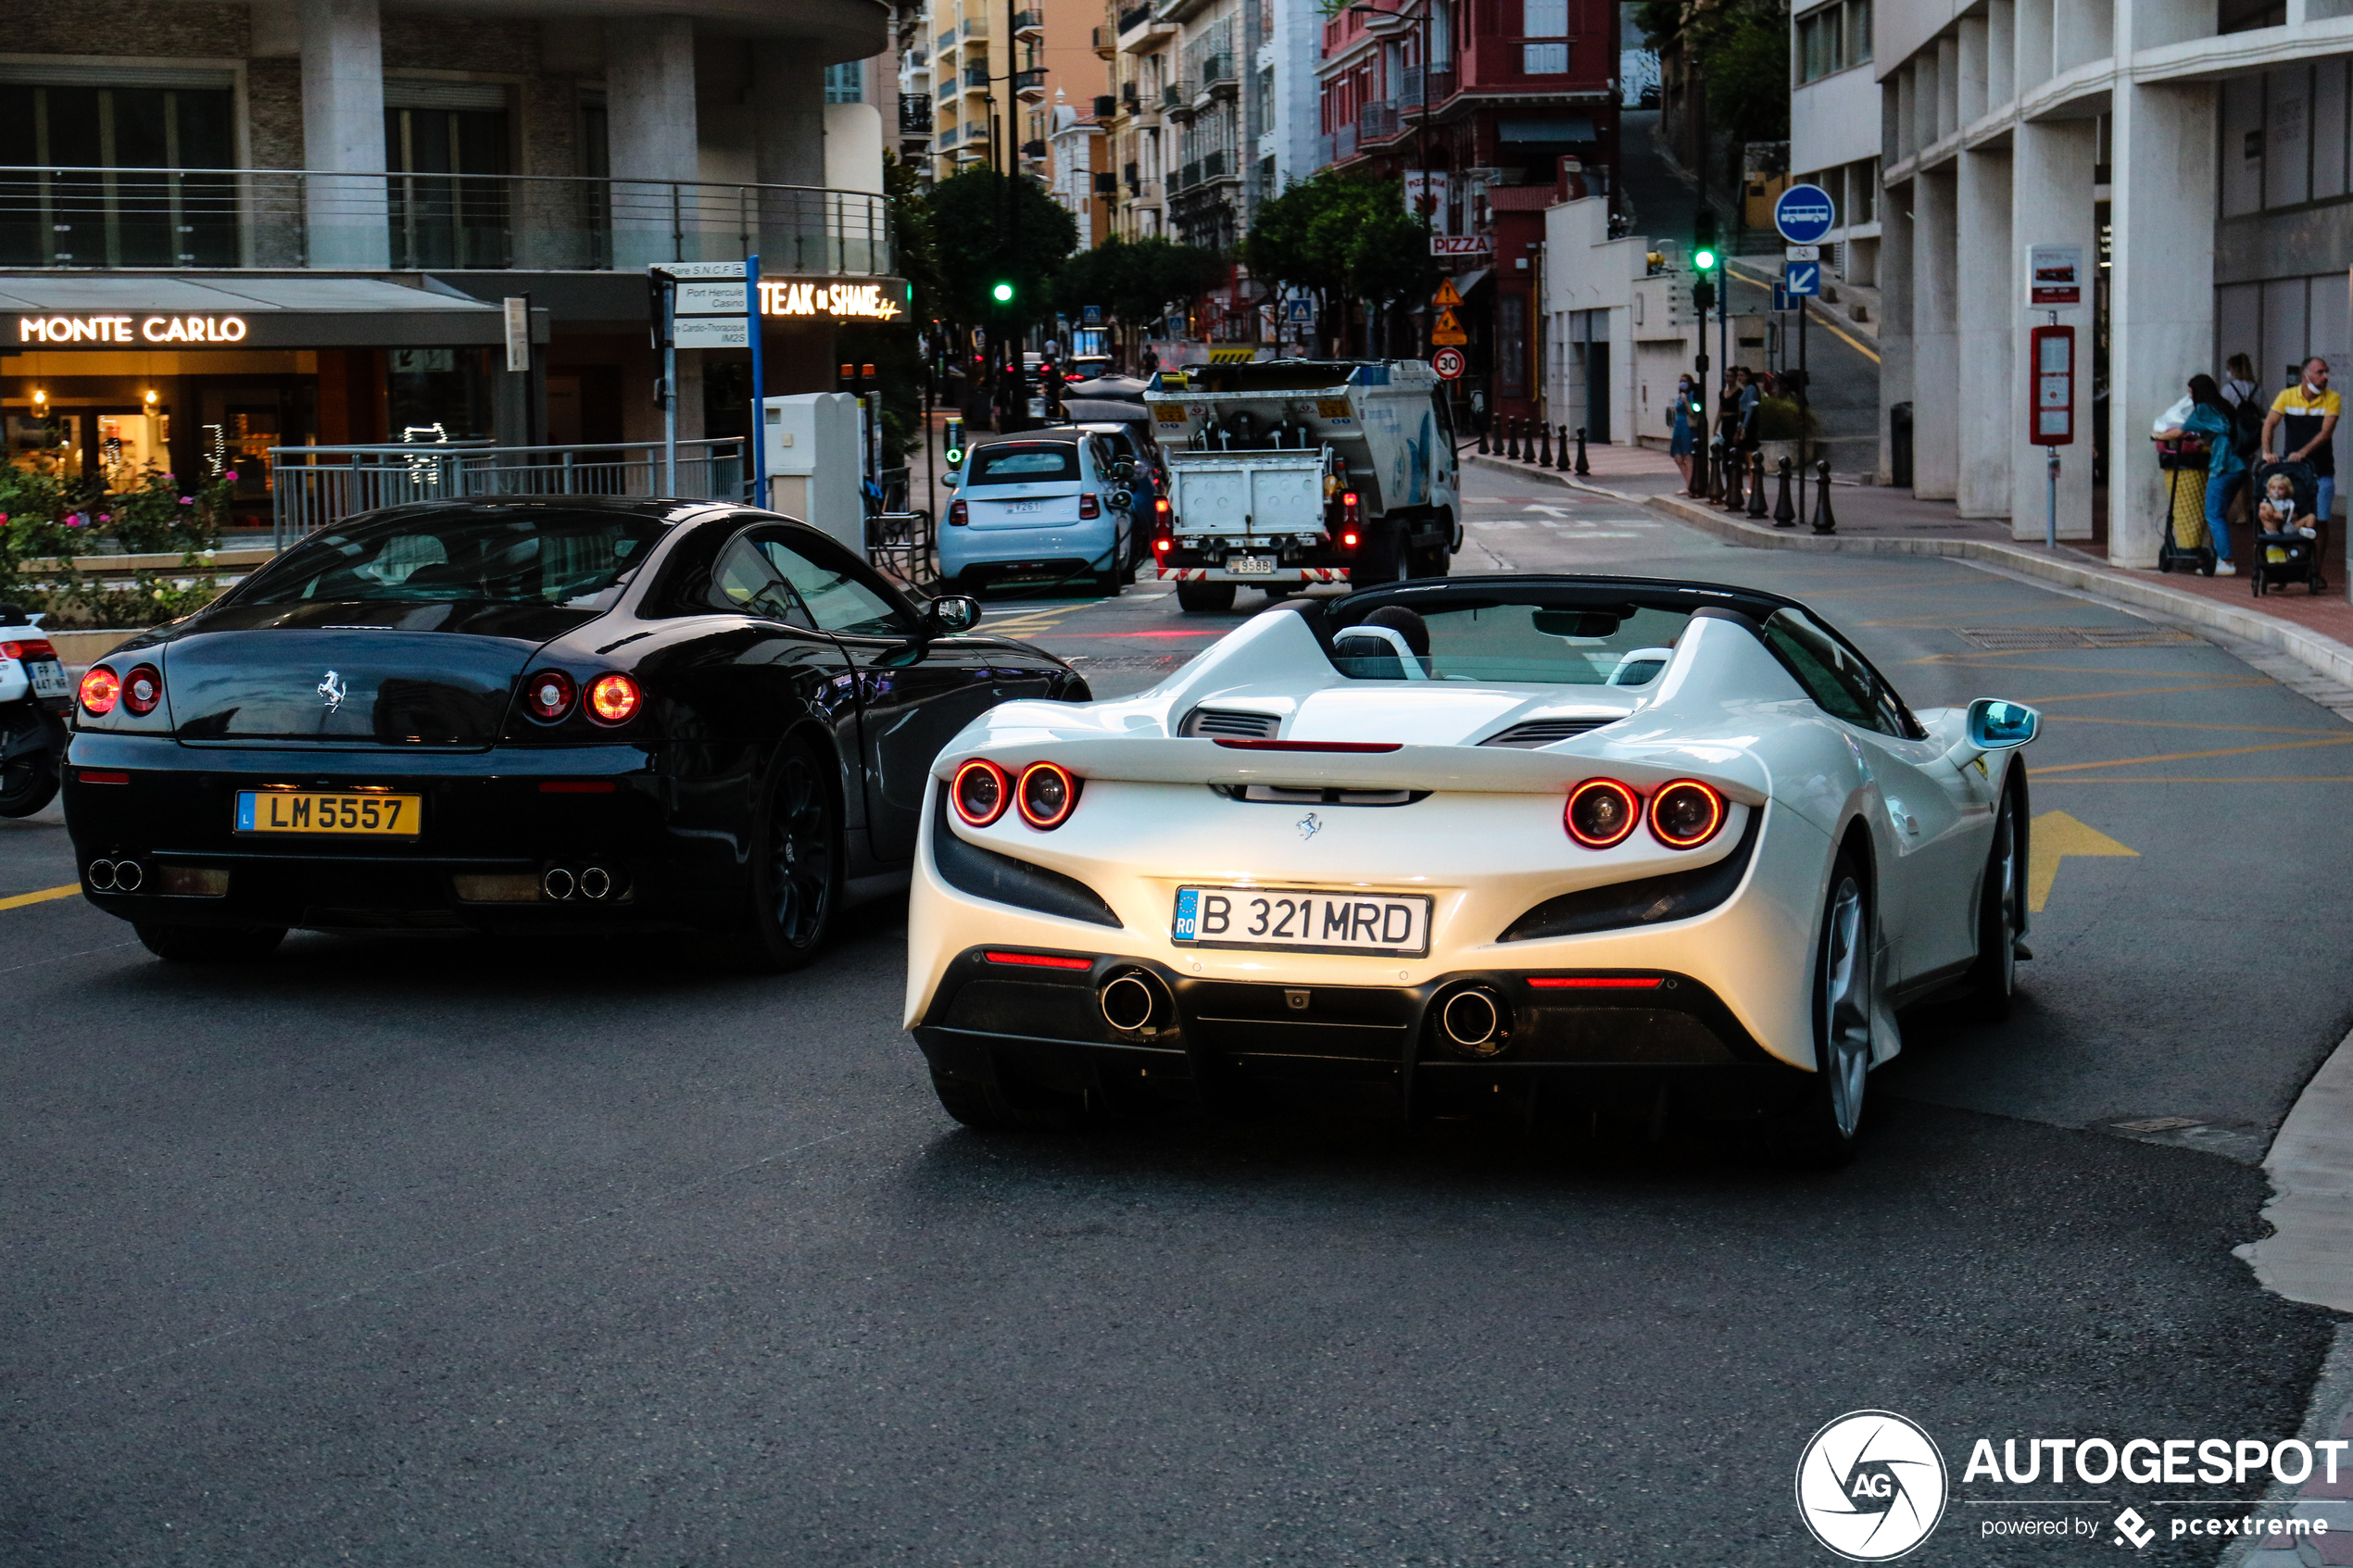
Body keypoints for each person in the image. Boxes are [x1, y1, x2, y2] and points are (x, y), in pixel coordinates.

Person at [2154, 374, 2244, 575]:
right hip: (2238, 466)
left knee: (2213, 514)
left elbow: (2179, 431)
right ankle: (2218, 555)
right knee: (2219, 513)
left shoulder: (2204, 408)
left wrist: (2157, 435)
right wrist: (2205, 442)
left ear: (2199, 392)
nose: (2190, 395)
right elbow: (2224, 432)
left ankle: (2226, 561)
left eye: (2191, 392)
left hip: (2223, 466)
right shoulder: (2224, 406)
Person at [2262, 357, 2341, 525]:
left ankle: (2316, 552)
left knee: (2320, 520)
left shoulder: (2332, 398)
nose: (2325, 376)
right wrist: (2267, 452)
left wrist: (2303, 452)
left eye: (2326, 372)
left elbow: (2326, 432)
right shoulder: (2287, 396)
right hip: (2293, 469)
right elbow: (2269, 423)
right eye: (2320, 372)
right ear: (2305, 376)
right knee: (2290, 515)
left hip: (2322, 469)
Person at [2257, 471, 2318, 537]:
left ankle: (2306, 531)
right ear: (2269, 489)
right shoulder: (2267, 501)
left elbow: (2295, 515)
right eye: (2273, 488)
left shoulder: (2290, 502)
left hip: (2289, 527)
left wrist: (2291, 516)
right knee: (2264, 511)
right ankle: (2276, 535)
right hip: (2274, 529)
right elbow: (2268, 511)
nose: (2276, 491)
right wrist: (2281, 516)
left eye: (2280, 488)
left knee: (2311, 517)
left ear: (2287, 490)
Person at [1667, 373, 1695, 484]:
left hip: (1686, 425)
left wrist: (1686, 401)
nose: (1682, 383)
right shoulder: (1680, 396)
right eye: (1680, 381)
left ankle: (1690, 485)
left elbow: (1693, 411)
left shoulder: (1690, 395)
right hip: (1678, 425)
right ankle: (1689, 482)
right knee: (1677, 457)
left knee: (1687, 456)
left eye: (1685, 381)